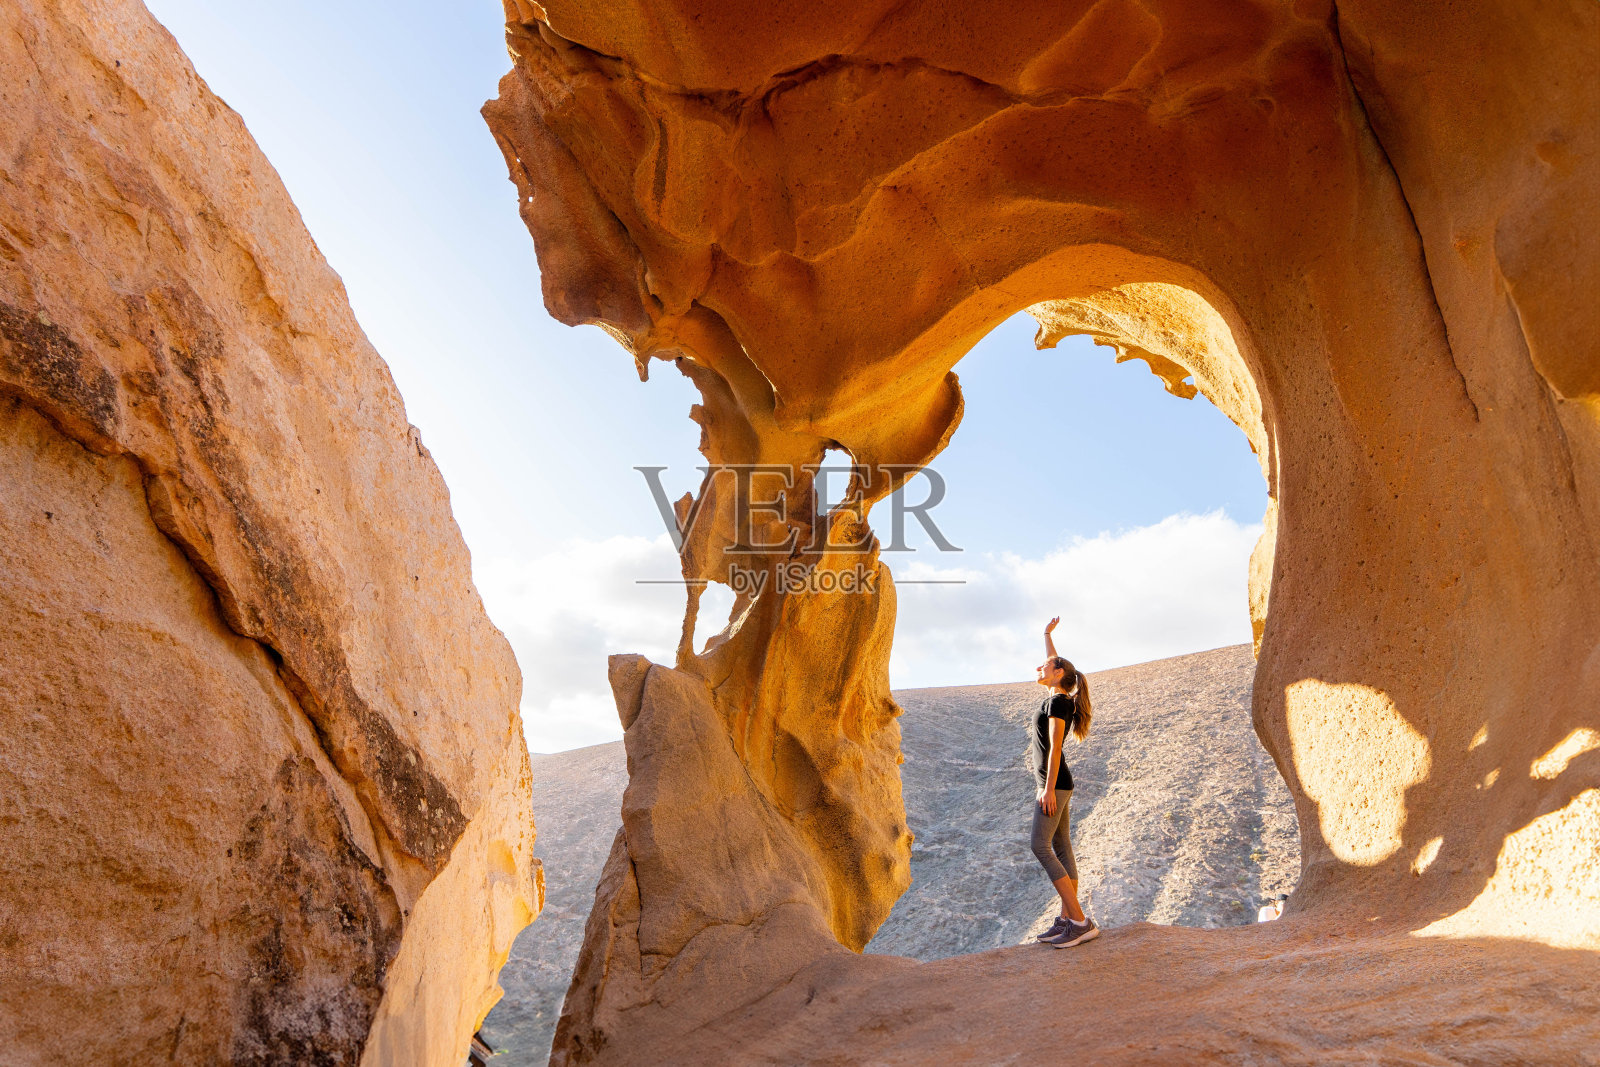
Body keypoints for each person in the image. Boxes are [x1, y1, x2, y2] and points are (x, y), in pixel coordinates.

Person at [1031, 616, 1099, 948]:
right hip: (1058, 783)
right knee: (1061, 847)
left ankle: (1080, 921)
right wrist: (1046, 634)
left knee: (1040, 846)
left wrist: (1047, 789)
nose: (1039, 668)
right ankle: (1067, 919)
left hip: (1055, 784)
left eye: (1045, 666)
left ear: (1058, 673)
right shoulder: (1057, 695)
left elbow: (1056, 747)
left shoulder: (1058, 701)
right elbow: (1054, 661)